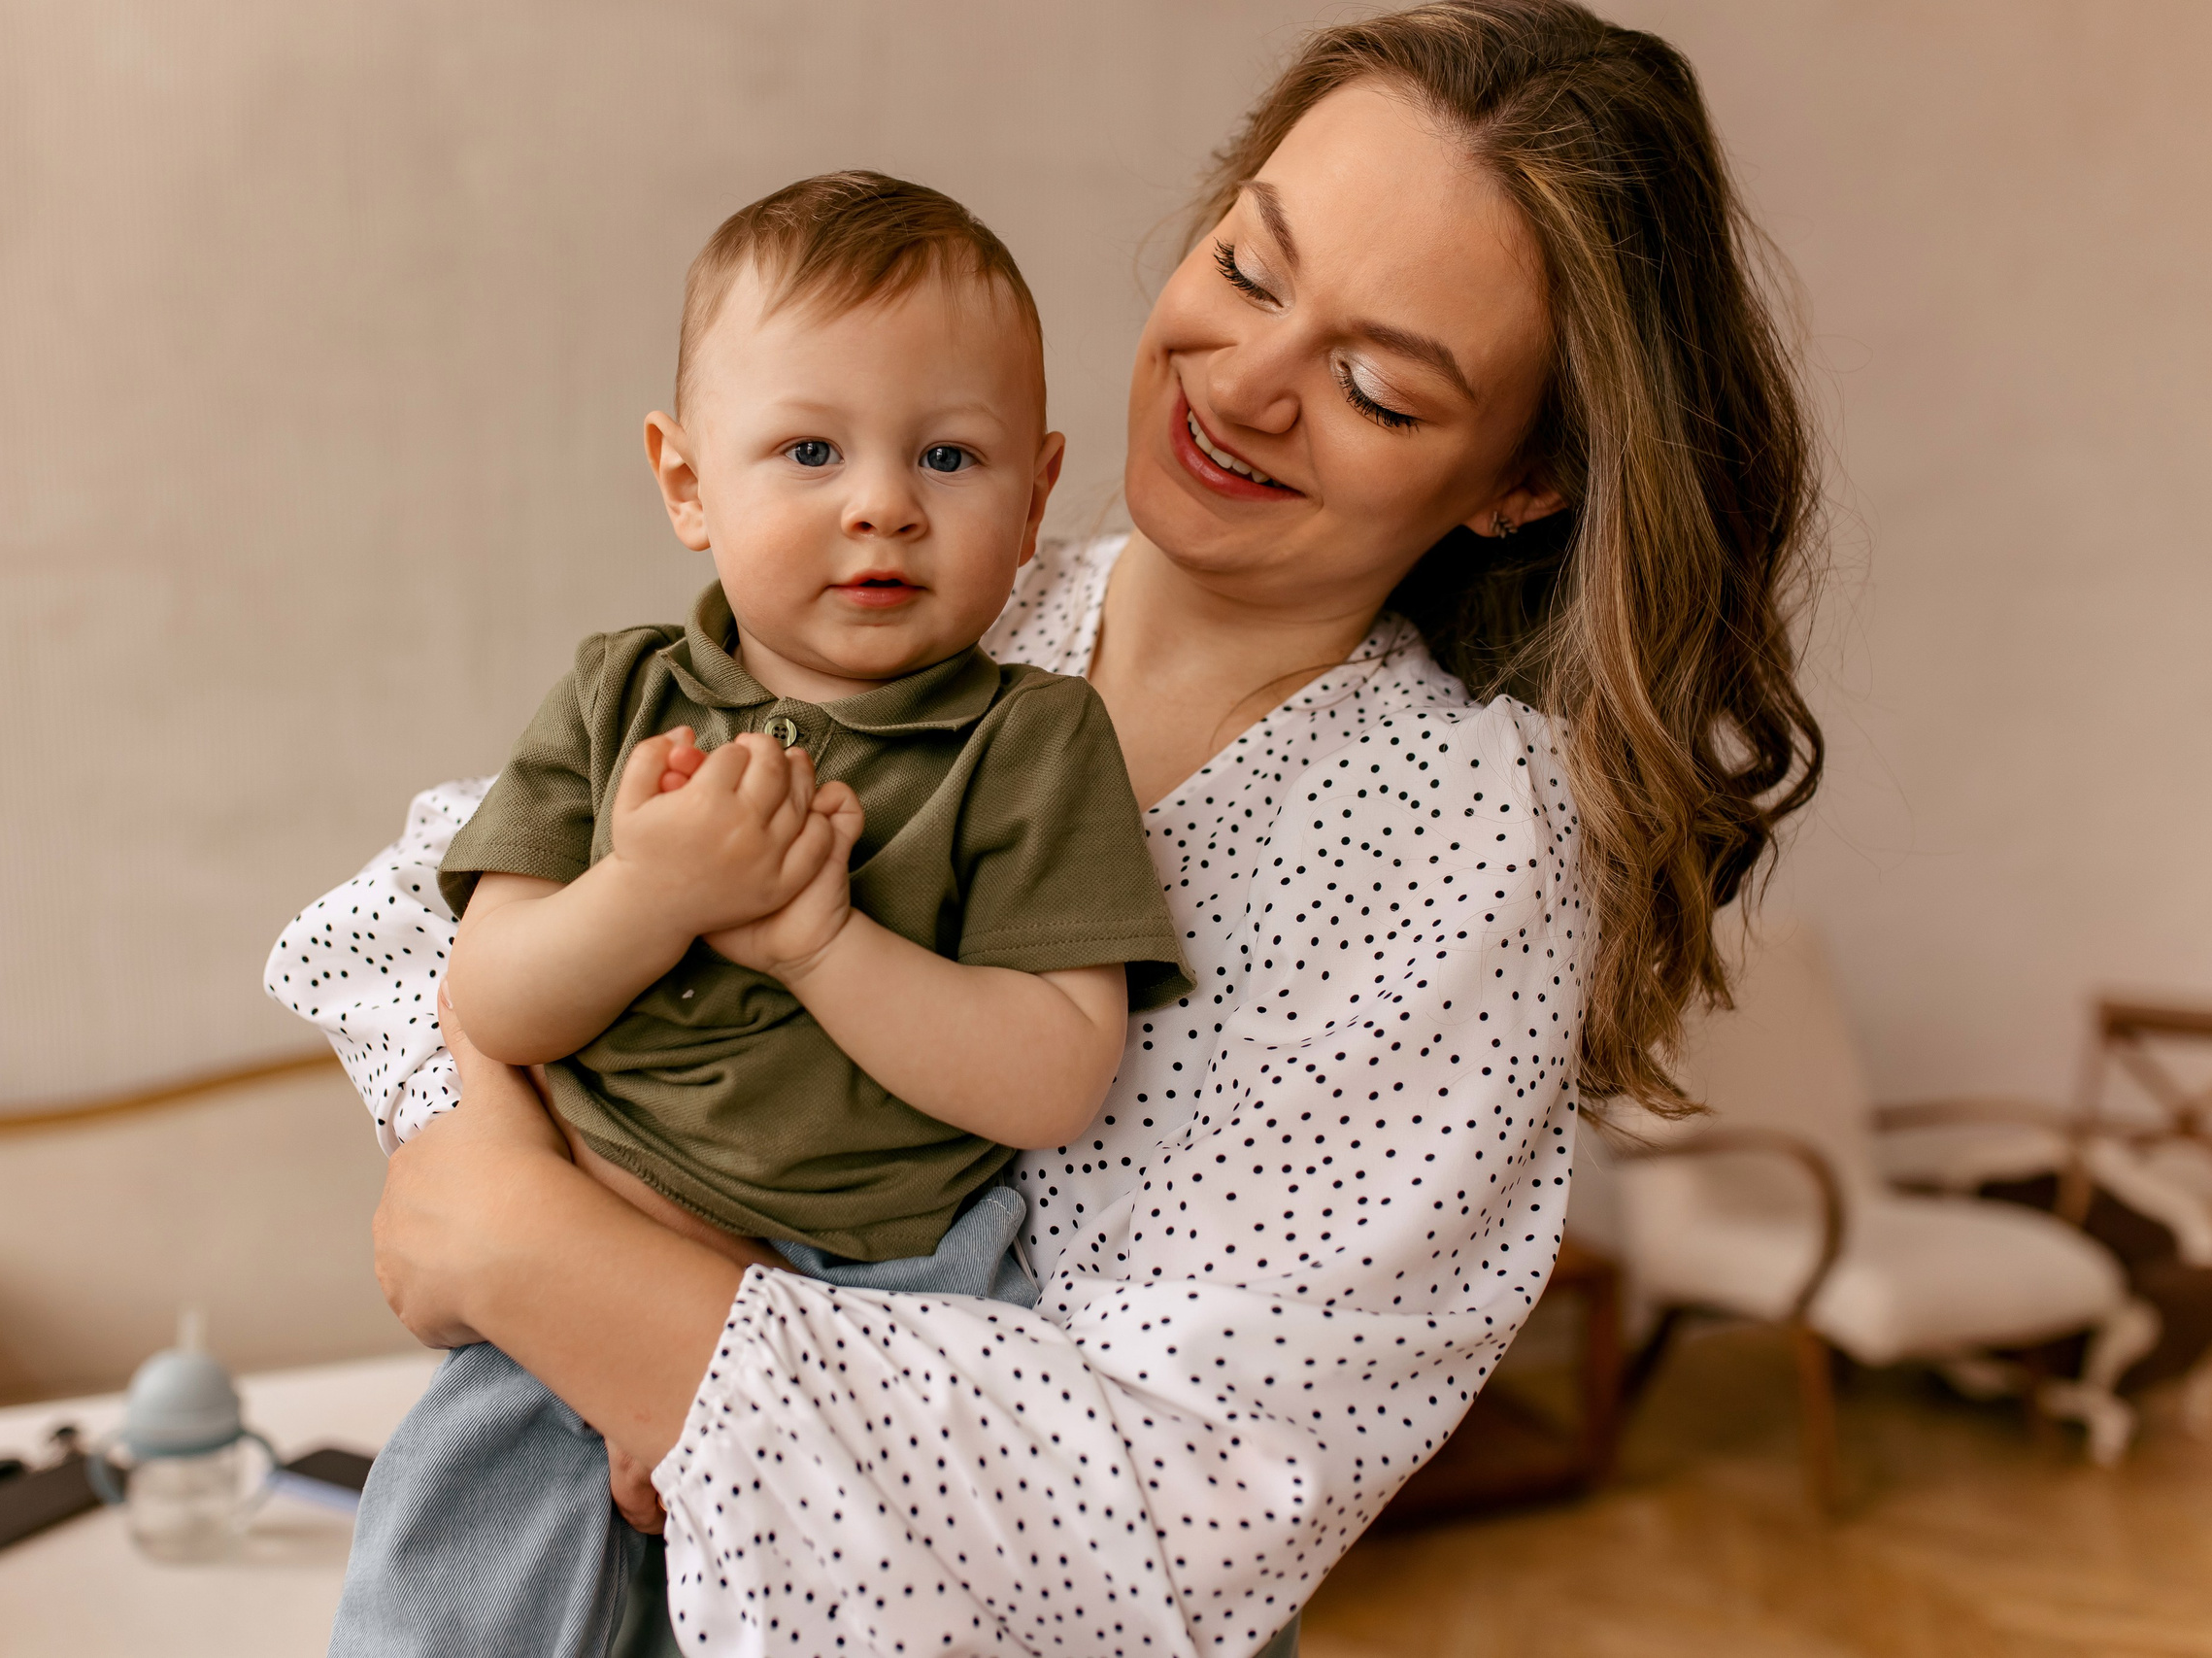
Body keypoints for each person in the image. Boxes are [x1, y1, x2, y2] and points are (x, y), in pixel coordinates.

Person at [274, 3, 1824, 1652]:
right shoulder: (950, 597)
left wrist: (550, 1264)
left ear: (1523, 482)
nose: (1247, 387)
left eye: (1375, 386)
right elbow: (418, 930)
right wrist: (543, 1209)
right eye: (1248, 270)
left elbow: (1187, 1495)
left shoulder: (1456, 845)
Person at [281, 171, 1195, 1657]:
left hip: (890, 1286)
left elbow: (1054, 1078)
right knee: (452, 1581)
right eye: (811, 449)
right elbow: (492, 998)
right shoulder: (619, 700)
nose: (883, 502)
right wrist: (654, 893)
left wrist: (820, 946)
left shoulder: (1034, 744)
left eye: (949, 455)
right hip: (595, 1220)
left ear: (1036, 497)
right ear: (688, 479)